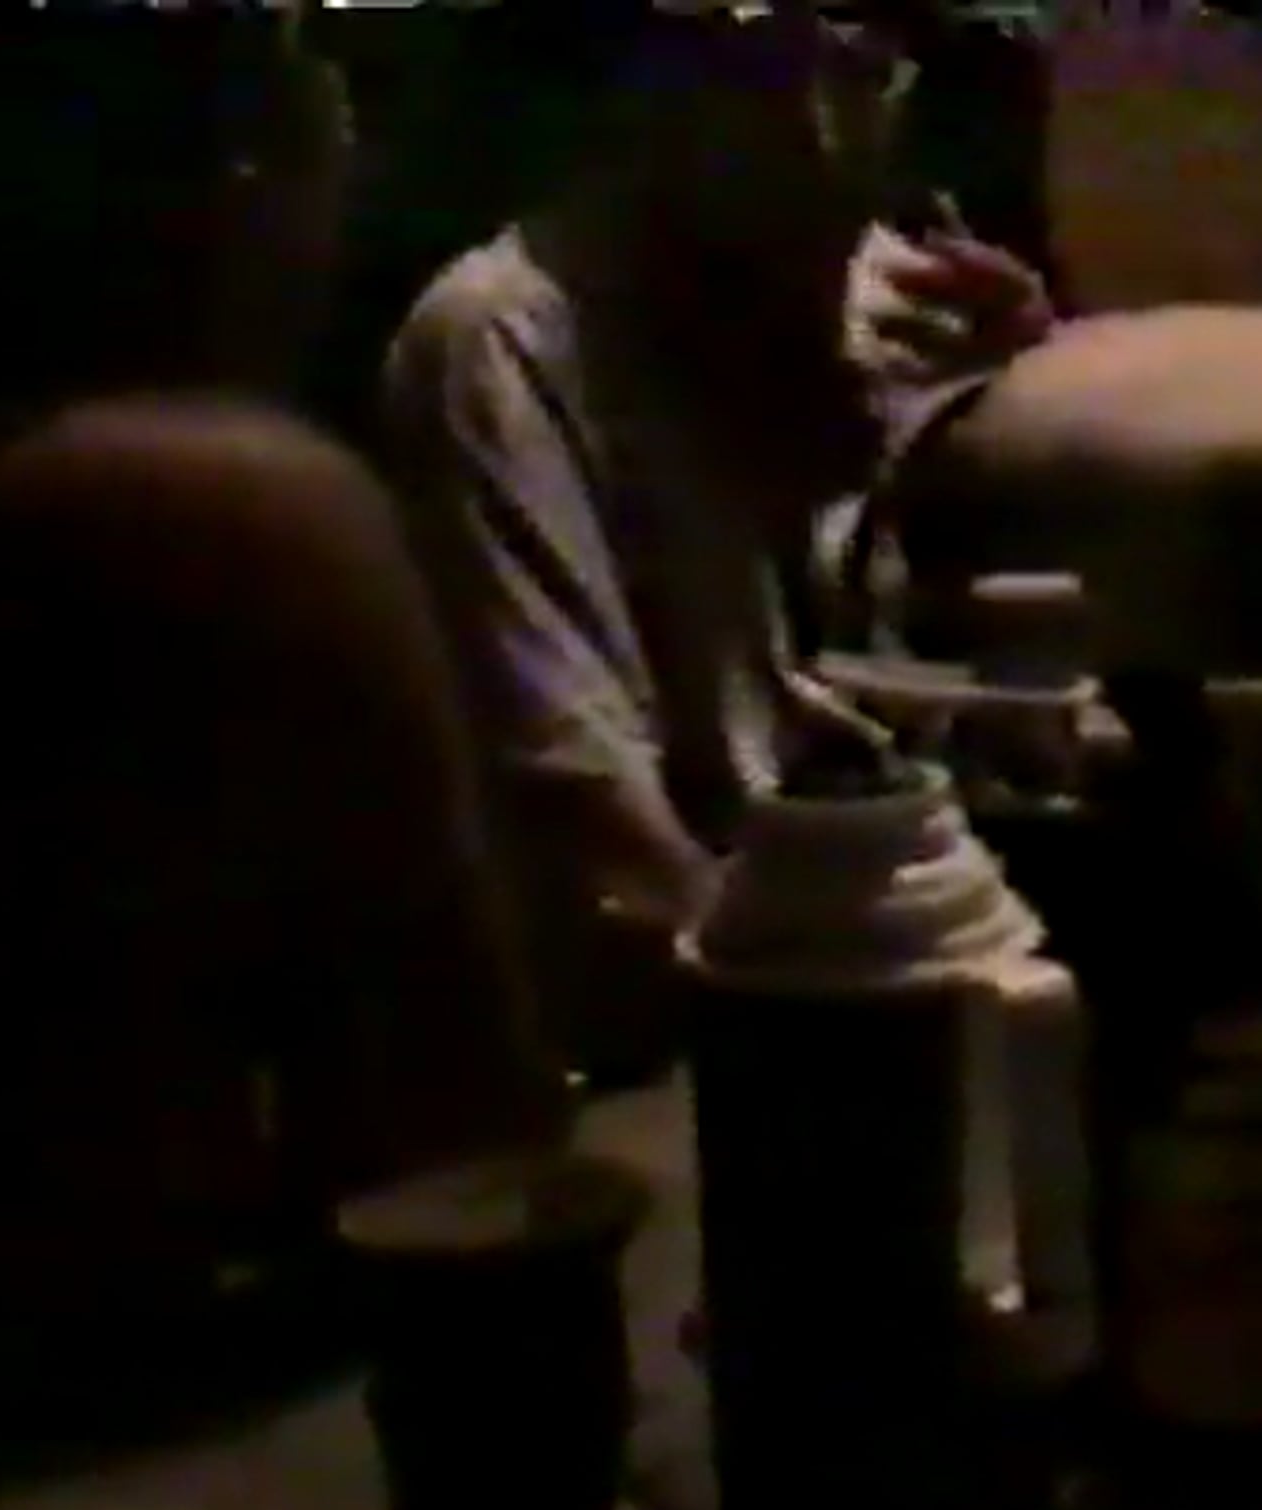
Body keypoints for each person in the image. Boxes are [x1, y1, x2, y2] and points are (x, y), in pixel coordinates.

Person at [0, 10, 563, 1489]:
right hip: (28, 1488)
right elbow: (477, 1172)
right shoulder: (215, 506)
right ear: (246, 156)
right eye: (343, 89)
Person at [381, 2, 1059, 1071]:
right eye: (765, 56)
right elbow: (593, 823)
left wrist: (1019, 421)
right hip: (734, 1023)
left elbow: (1025, 714)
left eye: (863, 58)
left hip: (951, 948)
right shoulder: (504, 341)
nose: (822, 122)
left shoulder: (902, 300)